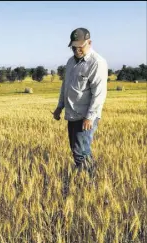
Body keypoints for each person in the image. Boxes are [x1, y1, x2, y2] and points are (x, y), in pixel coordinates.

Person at [53, 27, 108, 175]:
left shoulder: (97, 63)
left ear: (89, 42)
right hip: (72, 113)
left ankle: (90, 181)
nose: (77, 50)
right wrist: (60, 106)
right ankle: (85, 177)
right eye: (74, 47)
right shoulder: (70, 62)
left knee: (81, 151)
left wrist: (90, 117)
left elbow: (99, 93)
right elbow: (66, 85)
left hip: (85, 115)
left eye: (80, 46)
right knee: (76, 149)